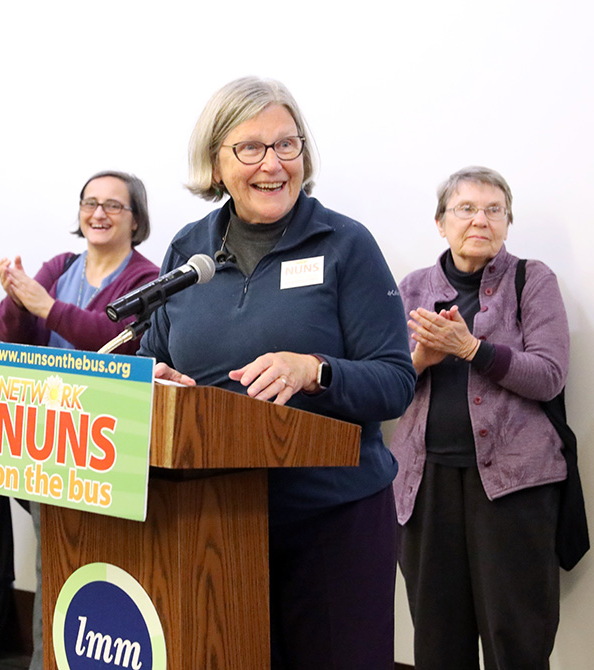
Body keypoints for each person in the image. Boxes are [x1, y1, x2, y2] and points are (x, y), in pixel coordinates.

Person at [137, 77, 416, 669]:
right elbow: (153, 356)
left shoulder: (345, 244)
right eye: (251, 148)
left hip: (330, 522)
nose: (274, 164)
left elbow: (395, 381)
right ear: (214, 162)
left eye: (287, 146)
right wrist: (156, 379)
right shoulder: (189, 249)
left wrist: (315, 370)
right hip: (217, 520)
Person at [392, 166, 569, 669]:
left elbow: (550, 375)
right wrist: (421, 359)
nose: (480, 220)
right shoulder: (412, 288)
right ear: (440, 222)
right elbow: (385, 388)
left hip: (515, 489)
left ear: (508, 222)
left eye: (494, 210)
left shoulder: (532, 279)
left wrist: (472, 349)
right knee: (436, 639)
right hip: (424, 488)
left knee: (516, 638)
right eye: (465, 208)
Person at [0, 170, 159, 670]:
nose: (99, 214)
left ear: (136, 220)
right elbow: (10, 333)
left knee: (104, 565)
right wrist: (17, 301)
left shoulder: (145, 278)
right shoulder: (59, 266)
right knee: (53, 563)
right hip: (50, 443)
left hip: (106, 448)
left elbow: (117, 338)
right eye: (90, 203)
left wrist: (45, 305)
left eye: (113, 205)